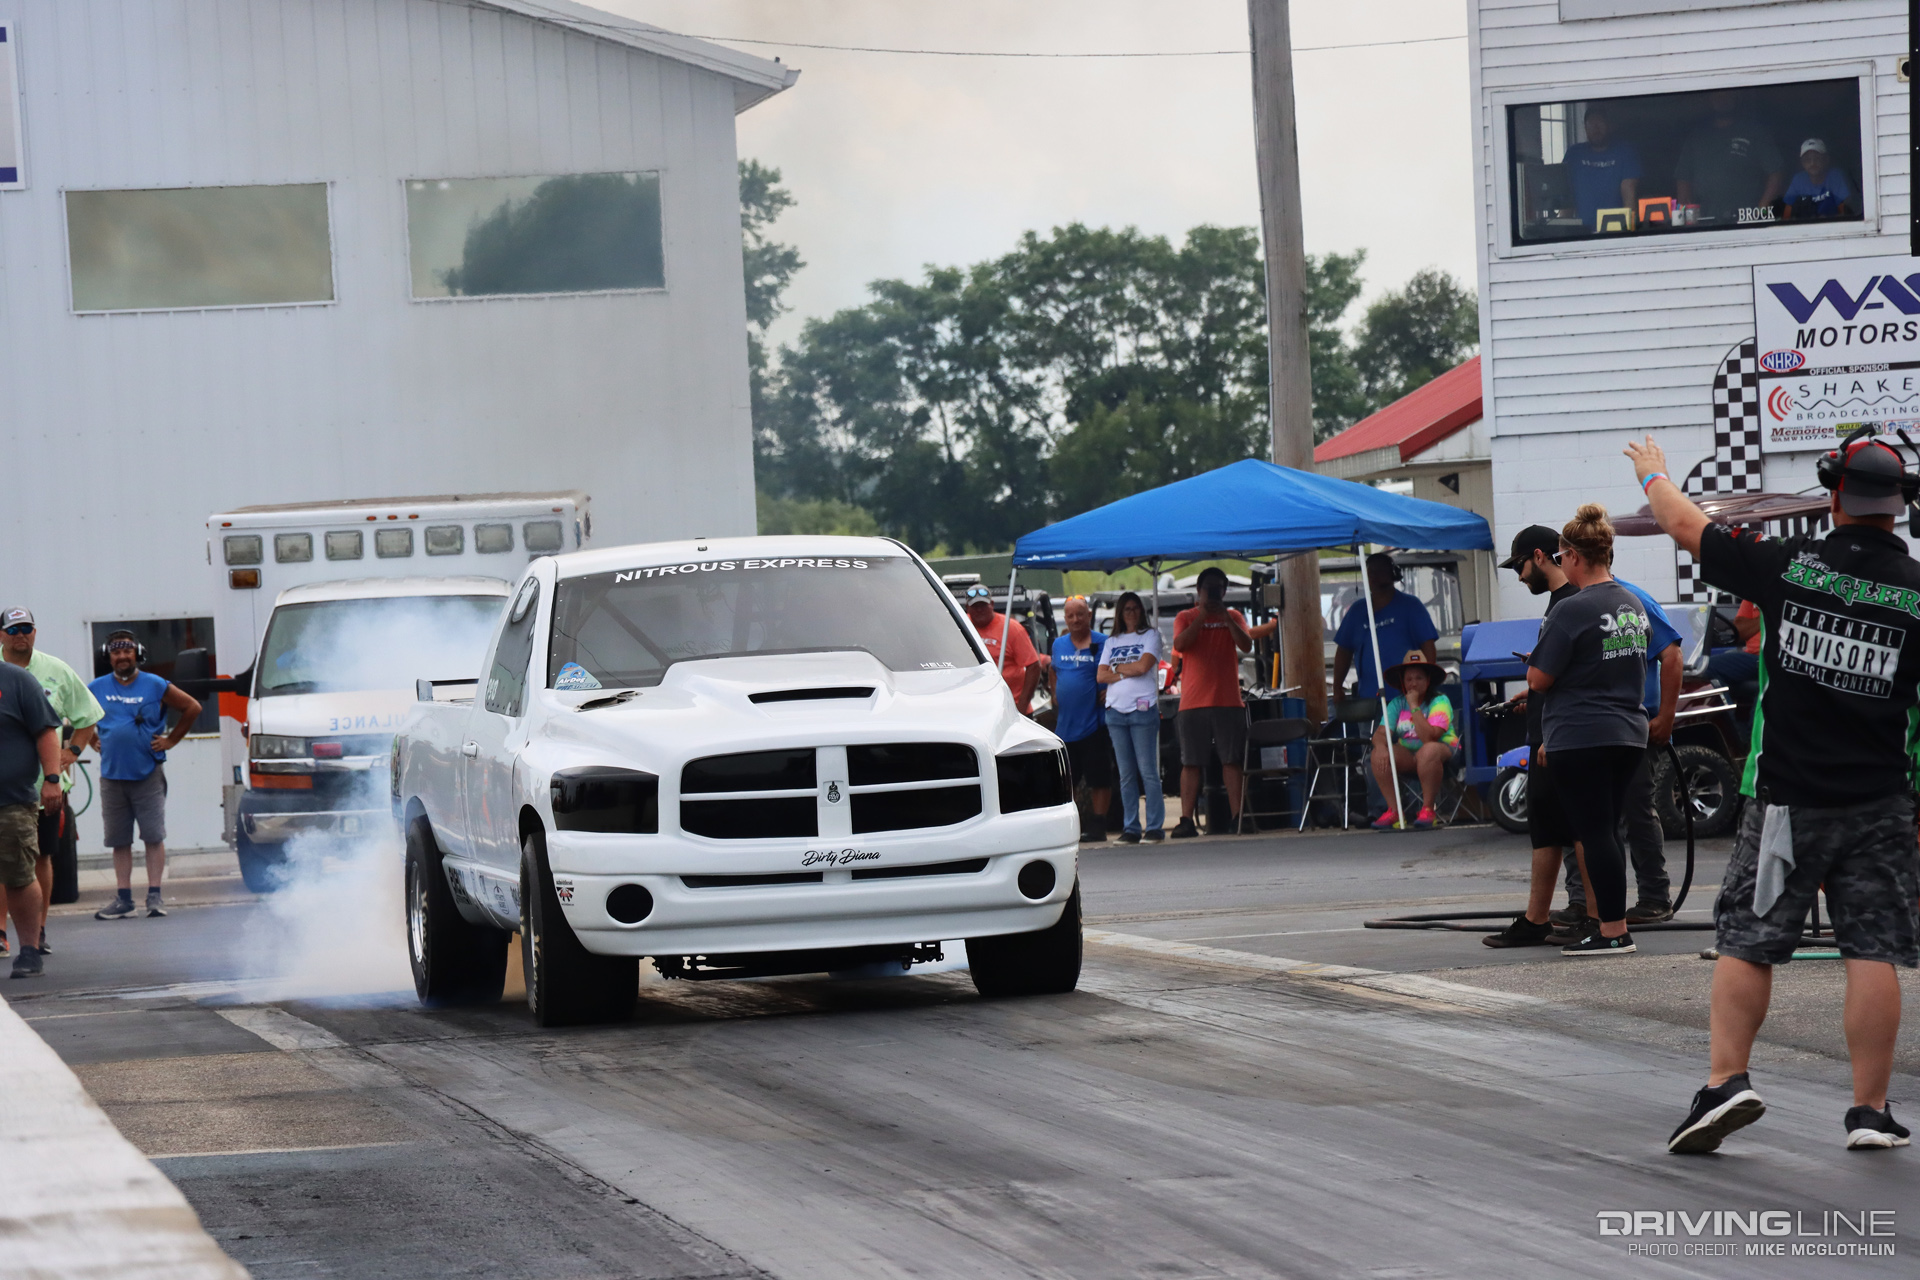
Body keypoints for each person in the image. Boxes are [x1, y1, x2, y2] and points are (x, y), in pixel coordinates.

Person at [1628, 431, 1917, 1154]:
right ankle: (1871, 1113)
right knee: (1872, 948)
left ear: (1834, 496)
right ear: (1898, 509)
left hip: (1787, 796)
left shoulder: (1791, 567)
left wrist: (1654, 475)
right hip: (1881, 800)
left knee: (1749, 940)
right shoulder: (1916, 594)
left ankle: (1727, 1081)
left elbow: (1687, 526)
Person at [1528, 505, 1650, 958]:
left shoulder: (1572, 610)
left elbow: (1539, 679)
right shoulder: (1632, 603)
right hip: (1628, 731)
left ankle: (1613, 930)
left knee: (1594, 831)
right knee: (1608, 831)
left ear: (1573, 557)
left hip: (1581, 734)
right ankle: (1611, 926)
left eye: (1561, 559)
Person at [1553, 574, 1683, 932]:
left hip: (1628, 725)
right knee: (1588, 822)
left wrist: (1666, 716)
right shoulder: (1575, 605)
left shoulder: (1631, 600)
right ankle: (1585, 902)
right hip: (1595, 728)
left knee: (1634, 809)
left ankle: (1654, 897)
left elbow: (1671, 653)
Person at [1484, 526, 1583, 948]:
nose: (1520, 576)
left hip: (1559, 739)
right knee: (1546, 830)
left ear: (1540, 556)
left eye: (1521, 566)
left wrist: (1548, 733)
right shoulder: (1559, 605)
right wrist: (1536, 692)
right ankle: (1538, 918)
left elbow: (1577, 679)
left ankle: (1598, 920)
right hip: (1549, 733)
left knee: (1584, 833)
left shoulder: (1569, 605)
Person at [0, 608, 103, 959]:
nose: (20, 635)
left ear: (35, 632)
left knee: (37, 858)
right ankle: (0, 932)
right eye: (13, 629)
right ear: (2, 635)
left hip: (43, 787)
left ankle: (36, 931)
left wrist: (70, 753)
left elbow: (87, 715)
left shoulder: (54, 671)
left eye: (26, 628)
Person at [88, 632, 201, 920]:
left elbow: (192, 707)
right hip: (112, 776)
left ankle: (155, 896)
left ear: (137, 654)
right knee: (119, 840)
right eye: (116, 652)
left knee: (153, 836)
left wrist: (172, 740)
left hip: (148, 773)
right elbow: (77, 716)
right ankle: (124, 899)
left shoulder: (155, 684)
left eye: (127, 652)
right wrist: (90, 740)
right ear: (108, 656)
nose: (122, 657)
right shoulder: (96, 687)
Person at [1169, 567, 1250, 838]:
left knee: (1231, 760)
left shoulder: (1235, 616)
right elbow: (1181, 644)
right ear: (1199, 591)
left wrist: (1225, 617)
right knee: (1191, 762)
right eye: (1208, 589)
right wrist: (1203, 614)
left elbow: (1247, 645)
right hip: (1193, 701)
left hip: (1228, 699)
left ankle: (1237, 816)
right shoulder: (1186, 616)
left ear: (1225, 591)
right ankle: (1186, 819)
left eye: (1217, 589)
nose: (1213, 593)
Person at [0, 656, 63, 978]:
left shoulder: (16, 680)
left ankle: (29, 949)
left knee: (19, 874)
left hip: (9, 801)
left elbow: (46, 732)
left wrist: (52, 780)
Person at [1097, 591, 1165, 844]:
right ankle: (1131, 827)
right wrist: (1125, 671)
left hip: (1142, 710)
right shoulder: (1112, 641)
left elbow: (1143, 666)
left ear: (1142, 611)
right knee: (1126, 774)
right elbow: (1101, 676)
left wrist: (1117, 670)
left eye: (1136, 608)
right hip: (1116, 711)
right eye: (1127, 609)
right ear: (1120, 613)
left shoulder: (1151, 636)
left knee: (1148, 770)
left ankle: (1155, 826)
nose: (1132, 612)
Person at [1048, 596, 1114, 843]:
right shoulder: (1058, 645)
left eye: (1080, 614)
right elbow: (1052, 670)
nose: (1075, 620)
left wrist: (1111, 689)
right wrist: (1055, 694)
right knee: (1068, 780)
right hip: (1066, 726)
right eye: (1070, 616)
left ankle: (1098, 825)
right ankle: (1071, 826)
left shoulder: (1104, 642)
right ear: (1065, 619)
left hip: (1094, 724)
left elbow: (1115, 671)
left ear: (1088, 615)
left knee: (1099, 777)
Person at [1369, 650, 1459, 830]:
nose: (1414, 683)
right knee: (1380, 754)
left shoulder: (1439, 700)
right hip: (1410, 754)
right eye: (1409, 679)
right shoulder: (1396, 703)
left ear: (1428, 681)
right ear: (1403, 683)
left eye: (1419, 678)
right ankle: (1394, 811)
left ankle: (1428, 810)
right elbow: (1380, 734)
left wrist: (1414, 705)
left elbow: (1428, 738)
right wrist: (1379, 747)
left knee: (1428, 751)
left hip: (1442, 751)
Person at [1331, 554, 1439, 703]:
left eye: (1380, 571)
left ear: (1393, 573)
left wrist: (1428, 684)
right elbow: (1344, 651)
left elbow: (1428, 645)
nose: (1375, 576)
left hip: (1407, 698)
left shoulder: (1411, 606)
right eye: (1371, 572)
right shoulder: (1357, 611)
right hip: (1369, 700)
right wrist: (1337, 687)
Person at [1674, 90, 1786, 224]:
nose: (1722, 99)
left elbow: (1776, 172)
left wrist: (1760, 213)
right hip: (1705, 224)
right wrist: (1685, 220)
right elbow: (1683, 179)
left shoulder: (1754, 131)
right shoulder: (1696, 136)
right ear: (1709, 98)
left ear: (1736, 97)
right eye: (1717, 95)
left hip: (1746, 222)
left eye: (1726, 94)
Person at [963, 585, 1042, 715]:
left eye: (983, 605)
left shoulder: (1011, 628)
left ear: (992, 605)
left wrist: (1021, 707)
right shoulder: (961, 626)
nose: (979, 610)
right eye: (975, 607)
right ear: (967, 608)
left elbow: (1033, 666)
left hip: (1011, 708)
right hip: (977, 710)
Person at [1562, 104, 1642, 232]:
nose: (1596, 128)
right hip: (1582, 232)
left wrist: (1629, 231)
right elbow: (1564, 195)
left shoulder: (1625, 151)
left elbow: (1629, 194)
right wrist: (1562, 231)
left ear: (1609, 125)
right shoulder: (1574, 154)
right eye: (1591, 124)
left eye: (1600, 123)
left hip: (1615, 230)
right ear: (1585, 128)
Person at [1704, 598, 1762, 732]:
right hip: (1752, 657)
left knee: (1709, 665)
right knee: (1706, 669)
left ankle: (1734, 731)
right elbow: (1739, 630)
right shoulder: (1752, 596)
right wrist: (1766, 615)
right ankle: (1728, 725)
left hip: (1769, 657)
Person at [1782, 138, 1856, 219]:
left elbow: (1844, 212)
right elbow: (1787, 213)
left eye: (1817, 158)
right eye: (1807, 160)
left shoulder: (1835, 176)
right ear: (1802, 163)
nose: (1812, 163)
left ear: (1826, 159)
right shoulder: (1798, 180)